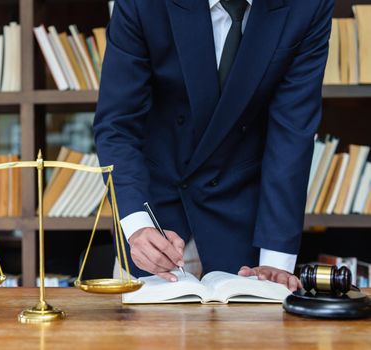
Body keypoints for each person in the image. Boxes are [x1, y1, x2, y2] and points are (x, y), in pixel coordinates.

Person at [93, 0, 334, 291]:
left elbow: (292, 133)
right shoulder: (142, 4)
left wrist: (276, 262)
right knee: (142, 335)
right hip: (155, 217)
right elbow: (117, 125)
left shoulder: (307, 6)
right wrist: (135, 225)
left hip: (244, 221)